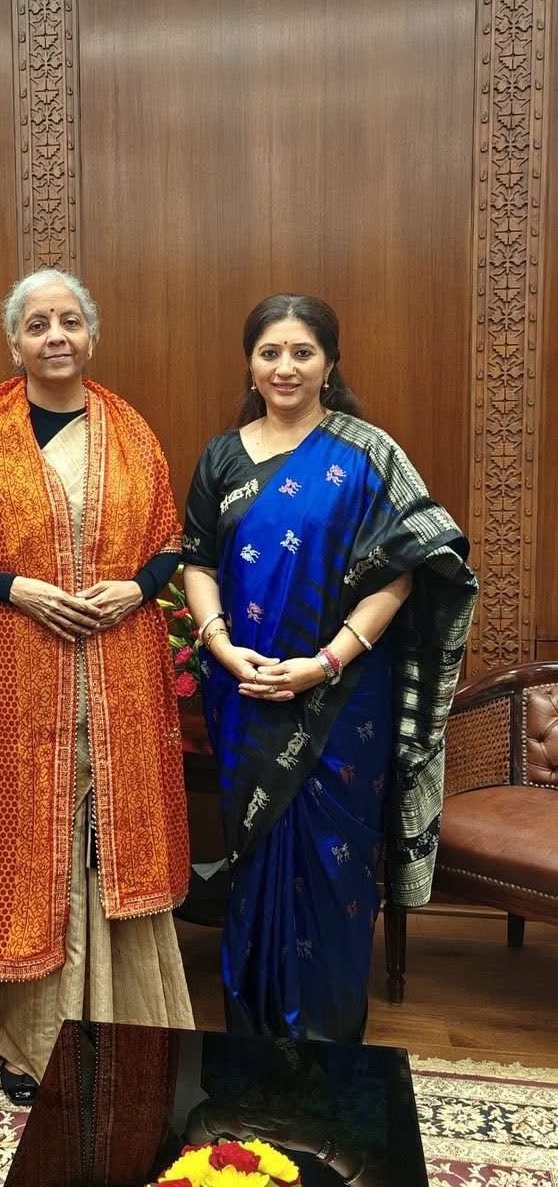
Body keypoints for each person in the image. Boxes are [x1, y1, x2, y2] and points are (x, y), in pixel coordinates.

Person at [0, 269, 194, 1103]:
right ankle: (26, 1038)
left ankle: (126, 1022)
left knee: (104, 841)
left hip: (116, 677)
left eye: (69, 321)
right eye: (37, 324)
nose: (55, 336)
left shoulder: (130, 431)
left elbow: (169, 542)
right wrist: (20, 589)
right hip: (11, 677)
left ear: (91, 335)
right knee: (25, 844)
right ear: (15, 344)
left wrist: (137, 589)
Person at [183, 293, 477, 1043]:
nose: (285, 367)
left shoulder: (368, 454)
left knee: (334, 861)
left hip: (343, 696)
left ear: (330, 363)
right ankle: (253, 1036)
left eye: (302, 352)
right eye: (270, 352)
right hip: (245, 689)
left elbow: (406, 570)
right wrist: (220, 645)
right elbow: (198, 563)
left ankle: (328, 1041)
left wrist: (325, 661)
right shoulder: (221, 457)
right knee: (255, 854)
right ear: (250, 364)